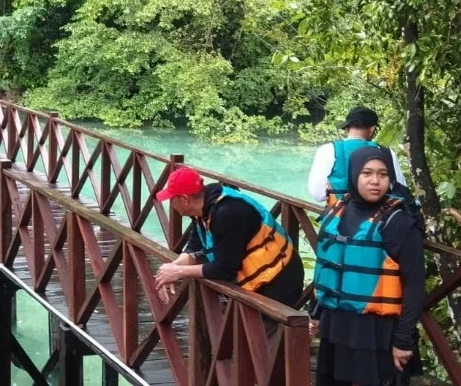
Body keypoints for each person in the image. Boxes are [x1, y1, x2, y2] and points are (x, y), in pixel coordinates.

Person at [311, 145, 424, 386]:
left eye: (383, 175)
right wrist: (317, 312)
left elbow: (414, 285)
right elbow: (326, 266)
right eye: (367, 173)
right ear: (353, 175)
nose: (375, 181)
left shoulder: (399, 222)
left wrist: (403, 340)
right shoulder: (336, 212)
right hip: (337, 325)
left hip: (378, 331)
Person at [153, 167, 304, 309]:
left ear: (185, 199)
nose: (171, 204)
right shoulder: (203, 207)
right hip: (252, 279)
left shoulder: (227, 213)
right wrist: (173, 267)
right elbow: (196, 242)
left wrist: (179, 272)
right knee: (238, 331)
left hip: (278, 279)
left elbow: (224, 268)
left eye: (172, 199)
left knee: (264, 334)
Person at [308, 106, 408, 206]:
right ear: (372, 129)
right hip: (378, 218)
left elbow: (318, 194)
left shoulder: (328, 149)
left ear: (347, 128)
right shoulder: (387, 153)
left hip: (340, 217)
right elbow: (400, 190)